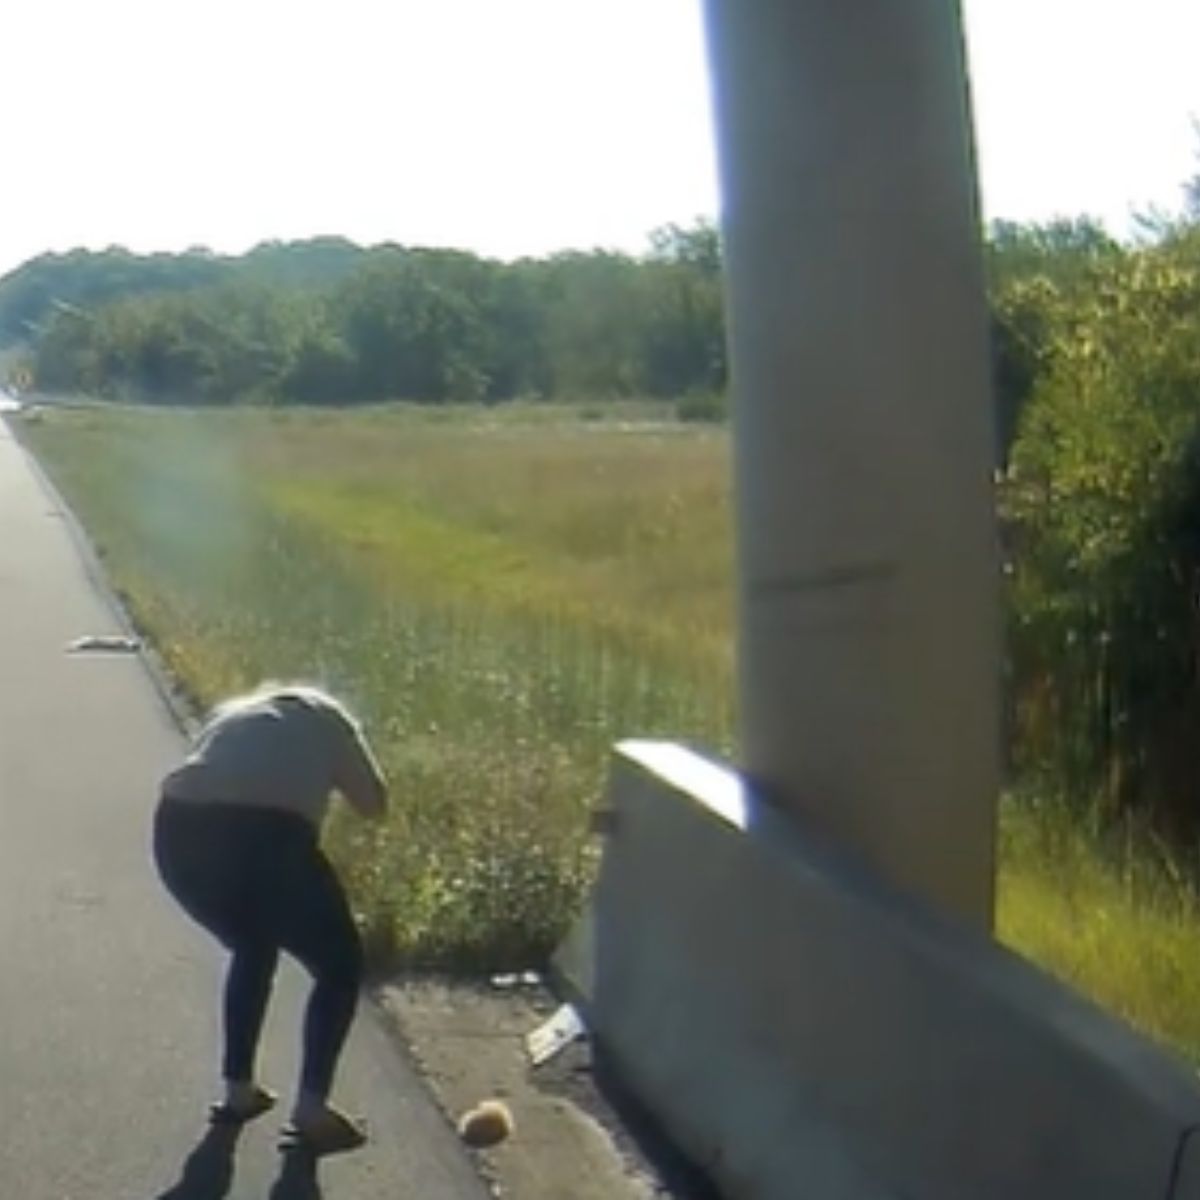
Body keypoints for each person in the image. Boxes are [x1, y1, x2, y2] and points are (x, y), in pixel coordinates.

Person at [153, 682, 388, 1155]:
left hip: (177, 827)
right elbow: (374, 805)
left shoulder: (231, 712)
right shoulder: (332, 721)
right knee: (339, 966)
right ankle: (312, 1107)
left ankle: (238, 1090)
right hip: (270, 835)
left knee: (252, 942)